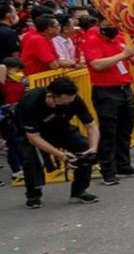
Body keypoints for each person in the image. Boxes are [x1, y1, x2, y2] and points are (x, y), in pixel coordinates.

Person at [16, 77, 101, 209]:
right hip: (31, 134)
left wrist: (93, 148)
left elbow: (91, 125)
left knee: (83, 147)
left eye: (69, 102)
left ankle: (79, 190)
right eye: (63, 103)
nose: (67, 105)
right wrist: (59, 154)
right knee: (31, 159)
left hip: (60, 128)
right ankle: (34, 195)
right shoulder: (30, 102)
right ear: (50, 96)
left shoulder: (73, 99)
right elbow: (33, 137)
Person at [82, 19, 134, 186]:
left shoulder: (120, 37)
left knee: (125, 129)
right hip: (106, 90)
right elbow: (96, 64)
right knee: (108, 132)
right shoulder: (91, 39)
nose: (113, 28)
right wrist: (123, 55)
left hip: (124, 87)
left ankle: (123, 165)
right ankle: (108, 170)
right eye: (108, 24)